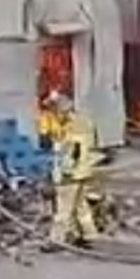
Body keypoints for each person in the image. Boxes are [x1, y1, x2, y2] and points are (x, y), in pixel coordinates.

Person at [42, 91, 101, 247]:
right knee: (81, 207)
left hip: (70, 175)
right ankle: (88, 235)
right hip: (84, 173)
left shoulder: (71, 128)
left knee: (63, 210)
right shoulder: (83, 122)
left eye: (53, 108)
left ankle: (56, 241)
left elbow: (71, 153)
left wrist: (63, 174)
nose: (52, 113)